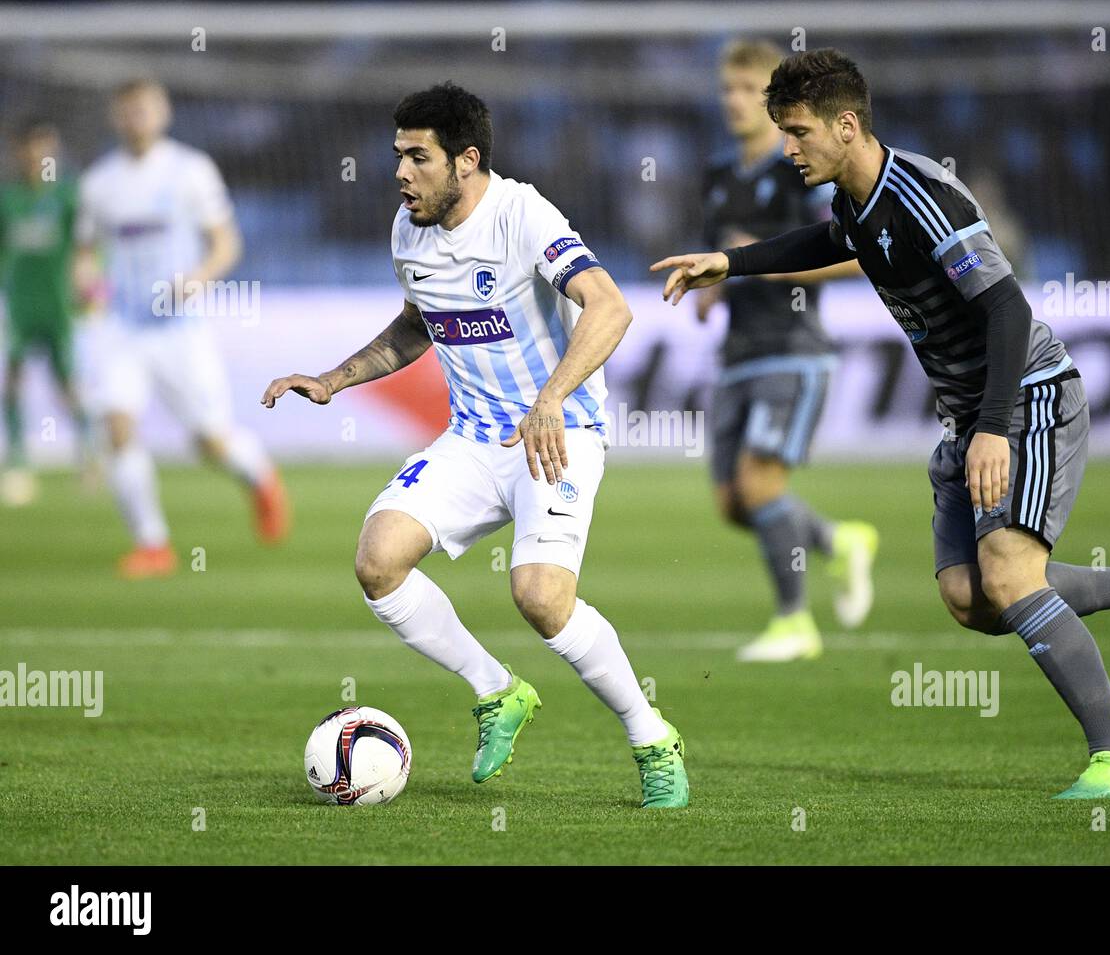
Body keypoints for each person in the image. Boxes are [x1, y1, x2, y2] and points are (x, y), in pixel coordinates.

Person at [652, 49, 1110, 799]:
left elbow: (1007, 306)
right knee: (971, 598)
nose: (787, 149)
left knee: (1011, 577)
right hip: (969, 414)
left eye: (797, 132)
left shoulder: (924, 196)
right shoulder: (853, 196)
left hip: (1028, 397)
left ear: (845, 125)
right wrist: (733, 261)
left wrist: (990, 427)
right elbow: (831, 241)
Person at [262, 83, 688, 809]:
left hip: (557, 437)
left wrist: (550, 398)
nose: (401, 173)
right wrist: (336, 379)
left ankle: (652, 738)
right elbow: (416, 324)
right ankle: (497, 691)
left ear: (466, 160)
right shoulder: (409, 230)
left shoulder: (522, 215)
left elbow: (610, 306)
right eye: (397, 154)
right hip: (471, 439)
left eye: (417, 157)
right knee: (378, 560)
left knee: (541, 599)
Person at [699, 40, 878, 663]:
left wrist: (774, 270)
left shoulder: (799, 168)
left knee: (759, 483)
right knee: (733, 502)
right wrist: (708, 290)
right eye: (728, 88)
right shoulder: (719, 176)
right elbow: (718, 256)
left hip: (794, 351)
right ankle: (837, 539)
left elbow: (853, 253)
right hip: (738, 352)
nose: (736, 101)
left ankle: (794, 622)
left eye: (749, 89)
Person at [76, 79, 288, 577]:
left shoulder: (190, 170)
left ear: (163, 112)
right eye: (127, 111)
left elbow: (225, 243)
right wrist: (88, 288)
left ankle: (260, 476)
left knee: (209, 442)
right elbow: (84, 255)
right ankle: (153, 544)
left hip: (180, 329)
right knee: (118, 427)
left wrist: (197, 278)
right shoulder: (99, 183)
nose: (136, 119)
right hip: (122, 328)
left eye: (144, 109)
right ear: (116, 117)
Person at [0, 120, 89, 505]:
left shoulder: (69, 197)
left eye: (45, 147)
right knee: (14, 379)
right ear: (20, 151)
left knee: (66, 384)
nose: (38, 156)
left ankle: (88, 453)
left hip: (58, 307)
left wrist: (88, 286)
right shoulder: (8, 198)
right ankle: (18, 459)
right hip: (19, 305)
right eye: (31, 148)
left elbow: (87, 248)